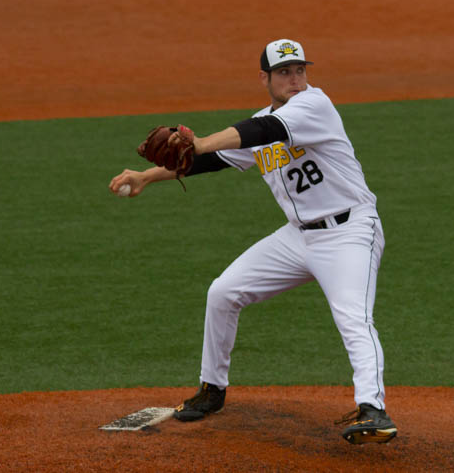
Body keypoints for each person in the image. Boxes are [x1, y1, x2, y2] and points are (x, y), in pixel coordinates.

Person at [109, 39, 396, 445]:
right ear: (265, 78)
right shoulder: (262, 120)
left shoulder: (315, 106)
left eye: (299, 70)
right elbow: (209, 160)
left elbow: (262, 131)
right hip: (299, 238)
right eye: (284, 73)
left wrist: (201, 140)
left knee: (352, 316)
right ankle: (212, 390)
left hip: (350, 232)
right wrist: (145, 176)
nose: (294, 79)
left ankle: (374, 410)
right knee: (223, 292)